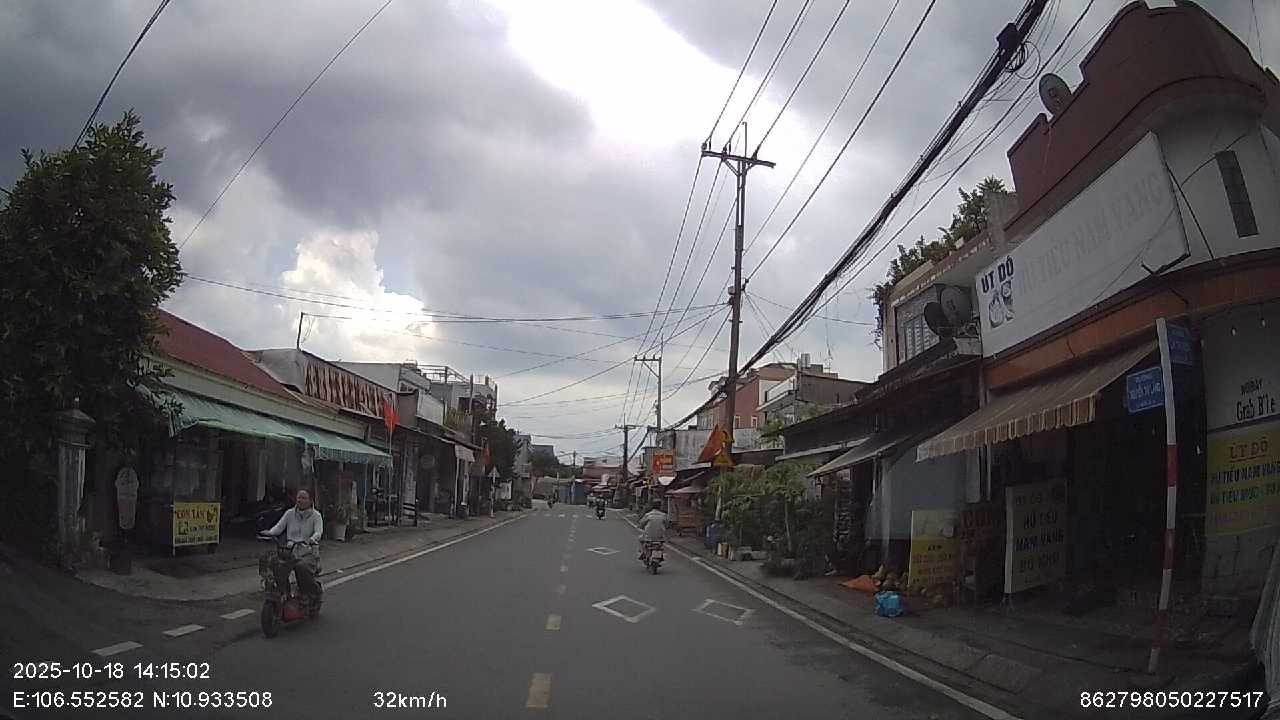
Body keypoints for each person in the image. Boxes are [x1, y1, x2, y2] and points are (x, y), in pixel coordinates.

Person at [261, 489, 323, 599]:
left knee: (301, 567)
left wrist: (311, 539)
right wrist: (269, 533)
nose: (300, 500)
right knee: (276, 565)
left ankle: (310, 591)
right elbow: (278, 528)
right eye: (299, 497)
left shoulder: (316, 516)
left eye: (304, 498)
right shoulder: (289, 513)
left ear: (310, 501)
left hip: (308, 552)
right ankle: (284, 592)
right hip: (290, 551)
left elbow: (318, 532)